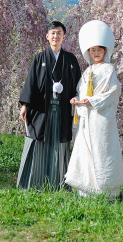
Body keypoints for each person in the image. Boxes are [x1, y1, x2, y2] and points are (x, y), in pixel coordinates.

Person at [17, 20, 82, 190]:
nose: (55, 36)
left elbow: (79, 85)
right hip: (41, 109)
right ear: (47, 36)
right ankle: (34, 182)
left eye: (59, 33)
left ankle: (58, 183)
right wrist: (24, 105)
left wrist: (78, 97)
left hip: (62, 110)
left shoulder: (70, 60)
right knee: (38, 140)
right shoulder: (39, 58)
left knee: (59, 144)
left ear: (64, 37)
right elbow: (31, 83)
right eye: (53, 33)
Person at [64, 20, 123, 198]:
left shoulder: (109, 70)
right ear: (88, 52)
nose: (96, 53)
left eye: (99, 49)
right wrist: (77, 99)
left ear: (105, 50)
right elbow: (80, 91)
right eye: (93, 50)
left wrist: (92, 101)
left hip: (101, 118)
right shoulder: (87, 72)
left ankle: (106, 190)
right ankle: (87, 189)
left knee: (102, 149)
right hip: (86, 118)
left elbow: (114, 91)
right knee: (85, 151)